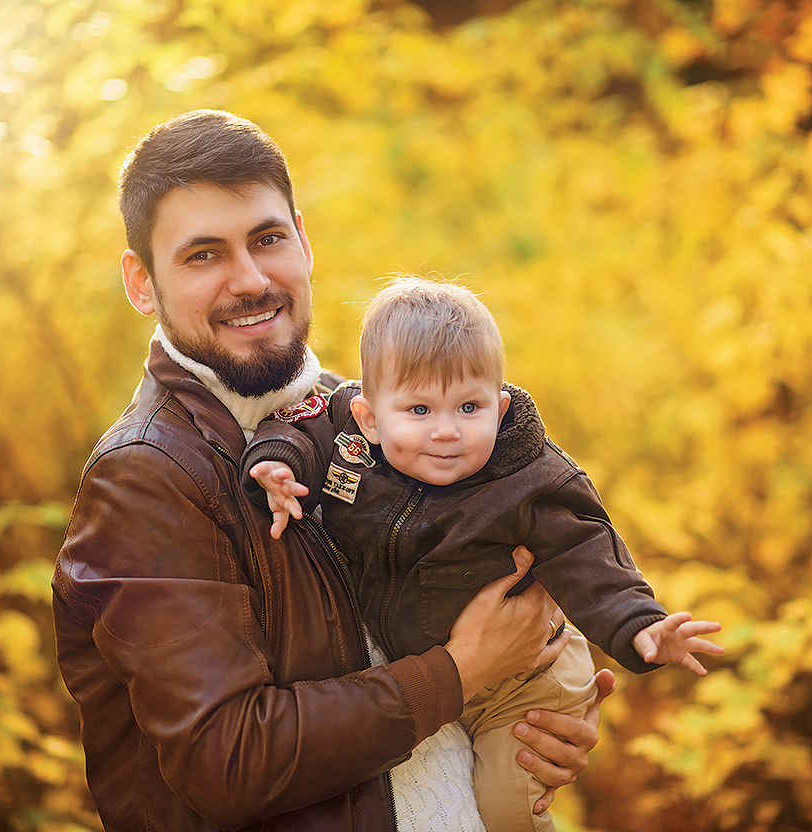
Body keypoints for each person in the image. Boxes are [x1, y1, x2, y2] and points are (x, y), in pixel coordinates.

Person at [51, 109, 615, 832]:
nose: (249, 280)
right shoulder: (149, 477)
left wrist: (533, 720)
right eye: (202, 255)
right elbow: (227, 762)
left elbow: (480, 622)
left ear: (303, 239)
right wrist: (462, 672)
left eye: (266, 238)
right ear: (141, 283)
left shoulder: (379, 424)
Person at [242, 276, 725, 832]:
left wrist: (641, 625)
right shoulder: (348, 434)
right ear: (370, 419)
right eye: (419, 410)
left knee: (506, 806)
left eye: (468, 407)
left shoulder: (528, 479)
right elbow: (299, 428)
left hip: (522, 678)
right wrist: (277, 465)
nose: (446, 432)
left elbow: (588, 552)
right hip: (440, 673)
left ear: (499, 407)